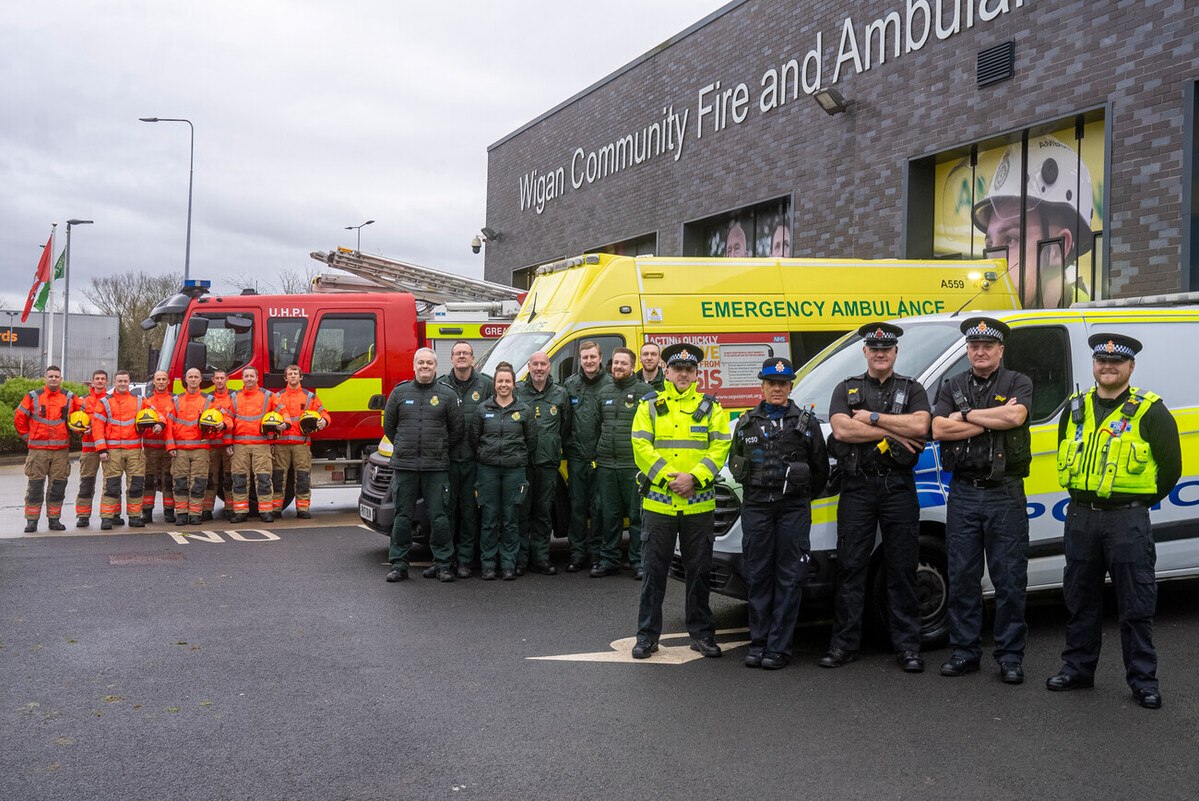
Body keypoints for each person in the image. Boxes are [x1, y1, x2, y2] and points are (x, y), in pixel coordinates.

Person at [1046, 334, 1181, 710]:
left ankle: (1143, 681)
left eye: (1116, 362)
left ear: (1130, 367)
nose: (1108, 367)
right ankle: (1077, 669)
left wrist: (1135, 504)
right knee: (1079, 599)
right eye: (1101, 361)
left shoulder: (1151, 411)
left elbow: (1171, 470)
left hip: (1127, 522)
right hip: (1081, 518)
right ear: (1093, 365)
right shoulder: (1074, 408)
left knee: (1136, 603)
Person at [820, 323, 930, 673]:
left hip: (898, 486)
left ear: (896, 353)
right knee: (851, 566)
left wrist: (871, 418)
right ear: (865, 352)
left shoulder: (912, 388)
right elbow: (841, 428)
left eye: (887, 348)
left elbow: (920, 427)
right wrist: (889, 429)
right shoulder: (846, 387)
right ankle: (844, 644)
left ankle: (908, 646)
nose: (880, 353)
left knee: (902, 567)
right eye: (874, 348)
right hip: (857, 487)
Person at [932, 317, 1034, 684]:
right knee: (962, 578)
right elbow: (938, 428)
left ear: (1000, 350)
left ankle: (1009, 657)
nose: (980, 352)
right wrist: (990, 420)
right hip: (962, 493)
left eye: (987, 346)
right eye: (974, 346)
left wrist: (966, 415)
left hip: (1004, 494)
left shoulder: (1017, 382)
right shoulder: (953, 384)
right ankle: (964, 652)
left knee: (1009, 580)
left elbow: (1015, 415)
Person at [630, 343, 731, 660]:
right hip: (659, 506)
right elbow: (641, 447)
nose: (683, 374)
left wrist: (695, 478)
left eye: (689, 370)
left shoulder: (712, 408)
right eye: (678, 369)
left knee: (699, 574)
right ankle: (647, 637)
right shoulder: (649, 405)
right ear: (667, 371)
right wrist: (671, 478)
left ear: (696, 373)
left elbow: (720, 448)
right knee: (653, 574)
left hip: (698, 506)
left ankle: (701, 635)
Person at [729, 357, 828, 669]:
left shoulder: (807, 424)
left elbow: (820, 471)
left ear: (790, 387)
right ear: (762, 385)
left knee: (789, 576)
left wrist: (798, 496)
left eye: (783, 384)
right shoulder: (746, 423)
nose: (777, 389)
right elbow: (736, 464)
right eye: (771, 383)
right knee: (758, 575)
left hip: (793, 509)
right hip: (757, 506)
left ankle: (779, 648)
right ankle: (758, 644)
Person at [972, 133, 1094, 308]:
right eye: (990, 246)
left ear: (1057, 249)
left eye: (1010, 239)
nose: (993, 261)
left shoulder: (1089, 331)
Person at [382, 348, 463, 583]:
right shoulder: (399, 393)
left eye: (429, 362)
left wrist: (437, 448)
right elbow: (389, 427)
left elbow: (456, 430)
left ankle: (443, 564)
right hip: (405, 466)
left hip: (436, 467)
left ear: (436, 367)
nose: (425, 366)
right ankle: (399, 564)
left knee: (439, 517)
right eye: (421, 362)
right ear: (414, 365)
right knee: (402, 516)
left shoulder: (447, 395)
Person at [470, 361, 538, 581]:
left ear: (514, 383)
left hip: (514, 471)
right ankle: (489, 564)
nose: (503, 385)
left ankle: (508, 563)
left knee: (511, 518)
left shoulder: (524, 410)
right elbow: (474, 439)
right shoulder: (482, 410)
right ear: (495, 383)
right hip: (487, 470)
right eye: (500, 381)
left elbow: (531, 441)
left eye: (507, 381)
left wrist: (515, 458)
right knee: (488, 518)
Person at [592, 347, 653, 579]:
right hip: (607, 464)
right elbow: (598, 425)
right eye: (615, 363)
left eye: (623, 363)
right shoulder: (603, 391)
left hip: (633, 465)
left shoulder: (646, 392)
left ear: (633, 367)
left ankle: (638, 561)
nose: (618, 367)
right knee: (609, 515)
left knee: (637, 516)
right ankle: (609, 560)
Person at [438, 341, 493, 578]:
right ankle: (444, 560)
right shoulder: (440, 384)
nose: (462, 356)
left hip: (473, 461)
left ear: (473, 358)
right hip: (446, 461)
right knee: (445, 512)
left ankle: (465, 561)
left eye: (466, 353)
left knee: (470, 513)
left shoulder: (487, 384)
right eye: (457, 353)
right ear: (451, 358)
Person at [516, 350, 570, 576]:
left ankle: (540, 558)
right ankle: (520, 560)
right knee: (521, 512)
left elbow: (565, 428)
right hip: (522, 464)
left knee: (543, 512)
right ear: (529, 366)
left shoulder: (560, 394)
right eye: (535, 364)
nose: (539, 368)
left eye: (543, 364)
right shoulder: (517, 391)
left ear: (549, 367)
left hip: (548, 464)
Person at [14, 365, 81, 532]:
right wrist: (28, 437)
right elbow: (19, 418)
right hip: (37, 451)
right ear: (45, 378)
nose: (53, 379)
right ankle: (32, 521)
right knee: (35, 486)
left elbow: (86, 413)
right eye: (50, 376)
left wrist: (84, 426)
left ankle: (54, 520)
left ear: (61, 379)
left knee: (58, 486)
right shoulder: (33, 397)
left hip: (61, 451)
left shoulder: (69, 397)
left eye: (56, 376)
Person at [562, 340, 611, 572]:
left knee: (598, 507)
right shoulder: (570, 385)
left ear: (600, 358)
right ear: (580, 360)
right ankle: (577, 553)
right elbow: (564, 422)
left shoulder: (611, 385)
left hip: (601, 458)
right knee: (577, 507)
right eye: (585, 358)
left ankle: (596, 554)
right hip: (576, 458)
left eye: (593, 357)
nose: (589, 361)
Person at [228, 366, 287, 524]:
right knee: (239, 480)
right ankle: (240, 512)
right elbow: (228, 420)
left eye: (251, 376)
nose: (249, 379)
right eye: (246, 376)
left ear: (257, 378)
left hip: (261, 444)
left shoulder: (268, 396)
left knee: (263, 479)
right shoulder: (234, 397)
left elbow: (283, 412)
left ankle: (266, 512)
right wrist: (228, 442)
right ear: (242, 378)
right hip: (239, 444)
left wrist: (285, 424)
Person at [272, 364, 330, 519]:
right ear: (285, 378)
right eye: (289, 374)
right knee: (278, 477)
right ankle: (276, 509)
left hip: (301, 445)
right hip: (281, 444)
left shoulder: (310, 397)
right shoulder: (277, 397)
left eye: (295, 373)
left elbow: (323, 413)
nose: (292, 376)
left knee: (303, 476)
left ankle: (303, 509)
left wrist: (324, 421)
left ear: (301, 377)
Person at [92, 370, 147, 530]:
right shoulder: (104, 402)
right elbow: (97, 426)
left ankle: (135, 517)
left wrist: (159, 424)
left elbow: (155, 415)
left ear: (129, 382)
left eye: (125, 381)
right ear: (114, 383)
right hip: (112, 452)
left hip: (134, 451)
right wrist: (101, 449)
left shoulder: (140, 401)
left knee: (136, 485)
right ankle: (107, 518)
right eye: (119, 381)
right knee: (111, 485)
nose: (122, 384)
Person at [168, 367, 216, 526]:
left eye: (196, 377)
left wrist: (222, 426)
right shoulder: (176, 400)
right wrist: (171, 446)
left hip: (201, 449)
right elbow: (169, 425)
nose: (194, 379)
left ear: (201, 380)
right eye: (191, 377)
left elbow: (222, 419)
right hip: (180, 449)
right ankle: (181, 514)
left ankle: (195, 514)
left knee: (198, 482)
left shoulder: (209, 401)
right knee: (180, 482)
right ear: (186, 380)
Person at [140, 370, 178, 524]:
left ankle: (169, 512)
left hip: (168, 447)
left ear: (168, 381)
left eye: (164, 379)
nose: (161, 382)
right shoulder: (146, 400)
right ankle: (147, 512)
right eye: (158, 379)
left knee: (168, 480)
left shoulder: (175, 399)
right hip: (150, 447)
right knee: (149, 480)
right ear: (153, 382)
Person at [73, 369, 109, 528]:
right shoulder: (83, 401)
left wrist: (94, 426)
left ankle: (112, 514)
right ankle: (83, 515)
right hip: (89, 448)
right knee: (86, 482)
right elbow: (75, 421)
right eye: (97, 379)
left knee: (111, 483)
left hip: (109, 447)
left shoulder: (110, 400)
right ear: (92, 381)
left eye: (102, 379)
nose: (100, 381)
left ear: (107, 382)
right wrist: (80, 429)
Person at [202, 370, 235, 521]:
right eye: (217, 378)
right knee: (210, 478)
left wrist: (229, 442)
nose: (220, 381)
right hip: (212, 445)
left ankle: (230, 508)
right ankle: (207, 509)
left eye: (222, 378)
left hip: (227, 445)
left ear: (227, 379)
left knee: (229, 478)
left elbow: (234, 421)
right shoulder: (208, 398)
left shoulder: (233, 397)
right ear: (213, 380)